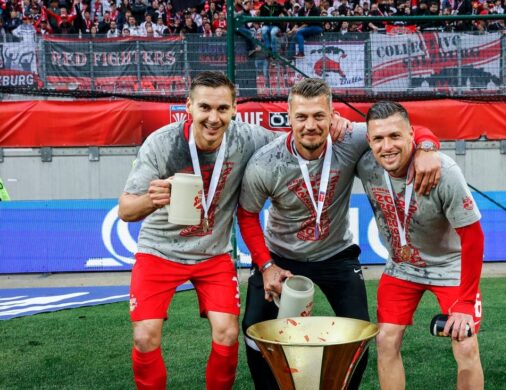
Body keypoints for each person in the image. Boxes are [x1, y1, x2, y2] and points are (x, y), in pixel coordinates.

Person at [118, 71, 351, 389]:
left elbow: (297, 138)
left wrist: (338, 126)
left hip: (213, 254)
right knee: (145, 336)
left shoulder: (249, 138)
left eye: (222, 109)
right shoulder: (161, 143)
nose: (213, 118)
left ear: (234, 109)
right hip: (159, 251)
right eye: (205, 108)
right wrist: (150, 199)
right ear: (189, 106)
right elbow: (125, 210)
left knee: (227, 333)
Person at [237, 78, 442, 389]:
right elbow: (247, 214)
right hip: (281, 256)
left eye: (319, 115)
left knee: (359, 333)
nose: (310, 125)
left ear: (333, 115)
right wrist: (266, 266)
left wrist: (427, 148)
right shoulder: (266, 162)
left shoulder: (351, 138)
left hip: (336, 255)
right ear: (288, 118)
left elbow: (406, 127)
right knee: (253, 330)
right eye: (302, 117)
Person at [355, 101, 484, 390]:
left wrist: (465, 301)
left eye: (395, 136)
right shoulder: (365, 163)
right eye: (378, 138)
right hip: (402, 268)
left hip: (450, 267)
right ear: (368, 140)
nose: (387, 146)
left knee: (465, 343)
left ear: (411, 135)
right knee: (385, 339)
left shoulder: (444, 172)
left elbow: (474, 237)